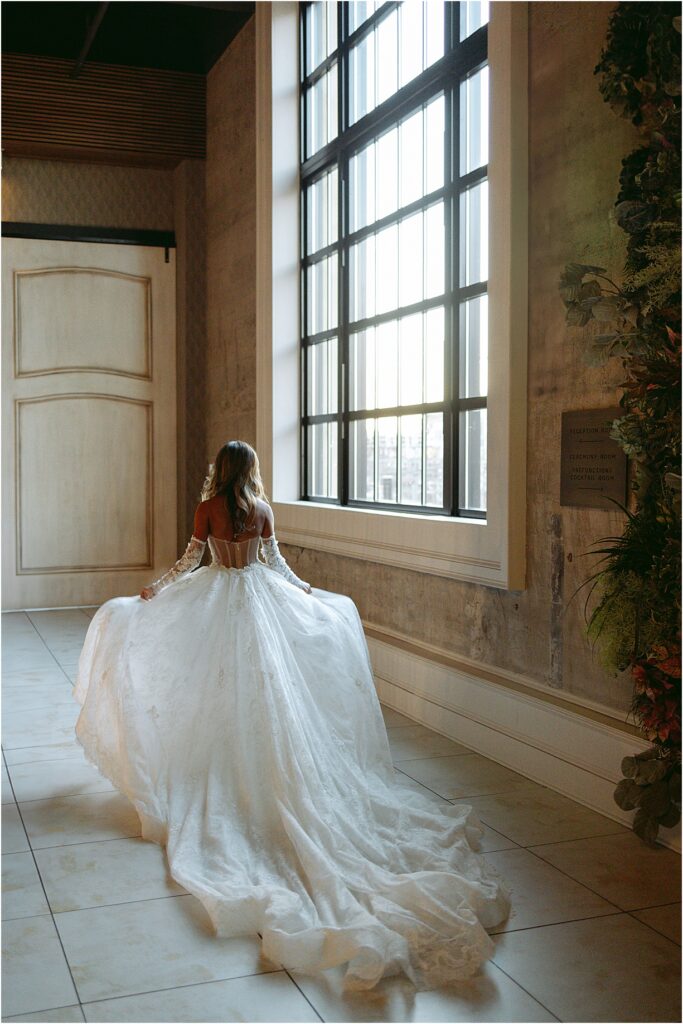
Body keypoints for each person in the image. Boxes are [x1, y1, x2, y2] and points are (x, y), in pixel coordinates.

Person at [74, 440, 510, 992]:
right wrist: (308, 592)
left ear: (220, 470)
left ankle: (227, 760)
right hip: (259, 603)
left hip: (218, 599)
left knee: (214, 683)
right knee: (267, 689)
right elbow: (276, 565)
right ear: (249, 471)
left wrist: (157, 589)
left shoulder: (208, 509)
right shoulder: (261, 510)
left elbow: (191, 562)